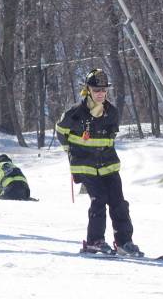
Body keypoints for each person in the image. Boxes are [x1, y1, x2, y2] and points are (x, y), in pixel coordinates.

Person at [55, 68, 143, 257]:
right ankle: (95, 241)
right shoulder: (75, 112)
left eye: (103, 90)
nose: (101, 93)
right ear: (88, 90)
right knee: (99, 199)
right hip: (85, 165)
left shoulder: (112, 112)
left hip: (108, 165)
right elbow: (60, 131)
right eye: (96, 90)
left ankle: (124, 242)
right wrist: (70, 153)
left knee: (118, 202)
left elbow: (109, 139)